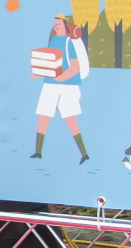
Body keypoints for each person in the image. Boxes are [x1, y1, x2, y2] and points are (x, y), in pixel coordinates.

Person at [30, 15, 90, 163]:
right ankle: (38, 152)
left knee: (70, 118)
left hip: (68, 86)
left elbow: (76, 66)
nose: (56, 26)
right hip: (50, 84)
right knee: (43, 115)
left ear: (65, 26)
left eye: (58, 24)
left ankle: (84, 153)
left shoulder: (69, 42)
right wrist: (39, 73)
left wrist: (63, 77)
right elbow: (49, 63)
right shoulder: (53, 40)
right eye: (55, 24)